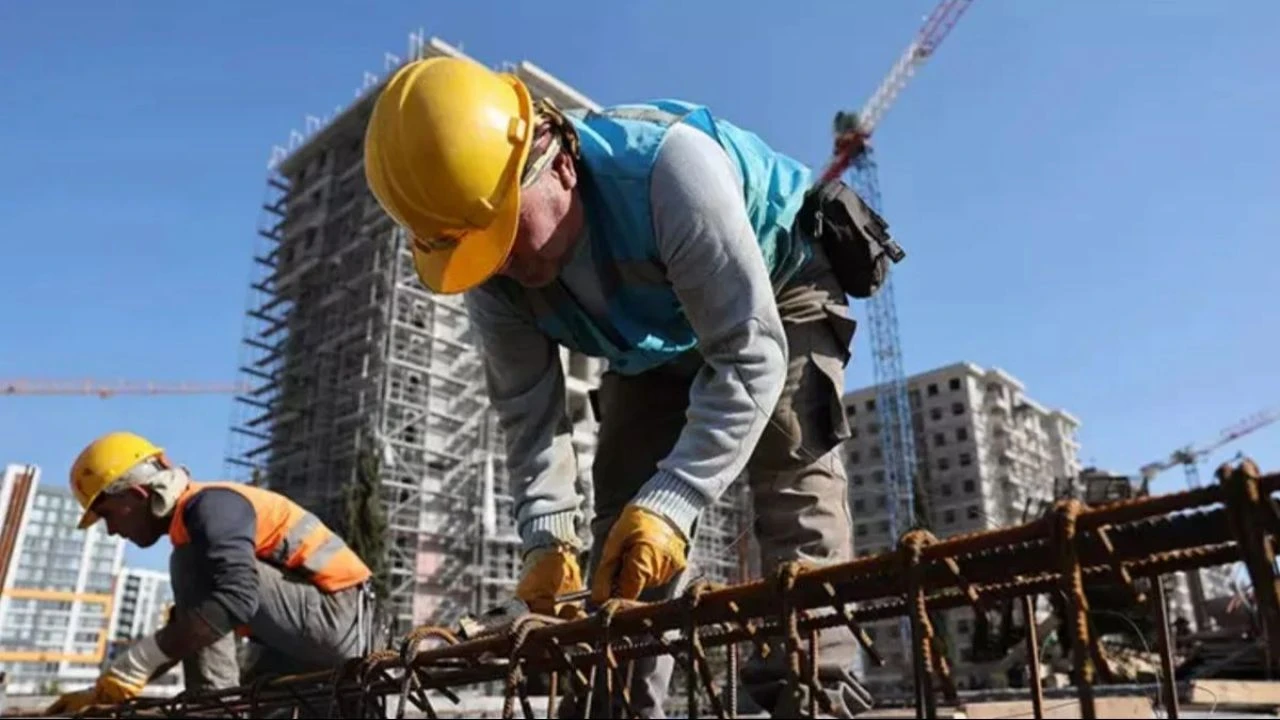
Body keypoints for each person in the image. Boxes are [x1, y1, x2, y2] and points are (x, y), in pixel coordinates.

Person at [364, 56, 898, 718]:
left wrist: (675, 501)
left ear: (558, 163)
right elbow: (529, 417)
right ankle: (616, 706)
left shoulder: (668, 172)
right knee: (622, 533)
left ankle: (811, 695)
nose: (506, 263)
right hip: (654, 341)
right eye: (480, 252)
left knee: (793, 481)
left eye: (507, 235)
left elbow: (750, 355)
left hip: (776, 290)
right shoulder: (493, 274)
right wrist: (546, 538)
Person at [47, 431, 374, 716]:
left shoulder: (210, 507)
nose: (111, 531)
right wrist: (106, 690)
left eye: (107, 514)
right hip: (306, 639)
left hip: (343, 622)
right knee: (258, 694)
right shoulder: (195, 526)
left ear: (136, 495)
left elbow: (237, 597)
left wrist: (138, 662)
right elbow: (192, 630)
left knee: (192, 566)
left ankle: (212, 709)